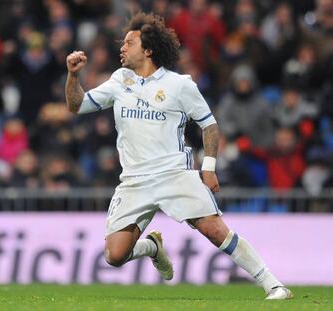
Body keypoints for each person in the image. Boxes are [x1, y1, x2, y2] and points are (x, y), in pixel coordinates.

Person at [65, 12, 292, 300]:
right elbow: (77, 105)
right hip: (134, 181)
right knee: (115, 255)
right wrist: (73, 75)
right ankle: (153, 248)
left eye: (129, 43)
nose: (122, 48)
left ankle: (273, 284)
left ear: (148, 50)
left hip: (174, 175)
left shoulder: (179, 85)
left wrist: (208, 167)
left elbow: (208, 124)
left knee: (214, 229)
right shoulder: (120, 80)